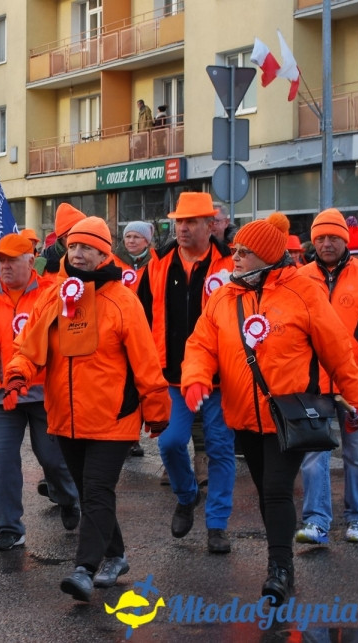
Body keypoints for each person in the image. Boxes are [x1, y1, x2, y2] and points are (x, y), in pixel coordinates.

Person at [183, 212, 358, 606]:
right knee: (268, 492)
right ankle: (281, 555)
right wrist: (196, 377)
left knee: (275, 489)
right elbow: (200, 344)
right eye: (234, 249)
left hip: (290, 416)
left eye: (244, 252)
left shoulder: (303, 292)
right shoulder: (224, 295)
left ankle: (279, 571)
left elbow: (338, 352)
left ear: (267, 256)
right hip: (243, 417)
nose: (234, 257)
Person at [6, 217, 170, 601]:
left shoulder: (122, 299)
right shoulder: (55, 294)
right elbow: (29, 346)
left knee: (96, 492)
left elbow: (146, 360)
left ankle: (84, 568)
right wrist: (18, 373)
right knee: (88, 492)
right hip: (65, 416)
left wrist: (157, 407)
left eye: (88, 248)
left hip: (114, 416)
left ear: (103, 253)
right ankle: (116, 555)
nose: (78, 254)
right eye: (74, 247)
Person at [0, 234, 80, 551]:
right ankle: (10, 528)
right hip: (1, 395)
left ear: (30, 259)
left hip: (42, 392)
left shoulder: (50, 295)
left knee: (53, 459)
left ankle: (68, 499)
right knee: (3, 463)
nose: (5, 266)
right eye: (1, 260)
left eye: (12, 259)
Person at [136, 191, 235, 554]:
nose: (182, 228)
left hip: (221, 378)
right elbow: (140, 315)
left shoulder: (231, 264)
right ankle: (187, 495)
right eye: (179, 221)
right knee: (170, 442)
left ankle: (217, 524)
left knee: (221, 449)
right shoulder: (158, 264)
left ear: (211, 226)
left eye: (190, 222)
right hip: (172, 375)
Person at [294, 212, 358, 547]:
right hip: (313, 382)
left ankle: (357, 518)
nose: (326, 243)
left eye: (333, 238)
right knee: (313, 454)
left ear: (344, 240)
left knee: (357, 453)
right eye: (320, 237)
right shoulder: (300, 277)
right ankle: (317, 522)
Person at [112, 220, 155, 457]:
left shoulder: (155, 263)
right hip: (120, 328)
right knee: (123, 382)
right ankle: (127, 435)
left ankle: (136, 432)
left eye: (136, 237)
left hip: (148, 328)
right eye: (127, 237)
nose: (130, 241)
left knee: (143, 383)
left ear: (147, 241)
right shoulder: (113, 261)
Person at [34, 203, 85, 276]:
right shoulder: (41, 266)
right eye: (80, 233)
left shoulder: (92, 256)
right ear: (65, 236)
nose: (85, 237)